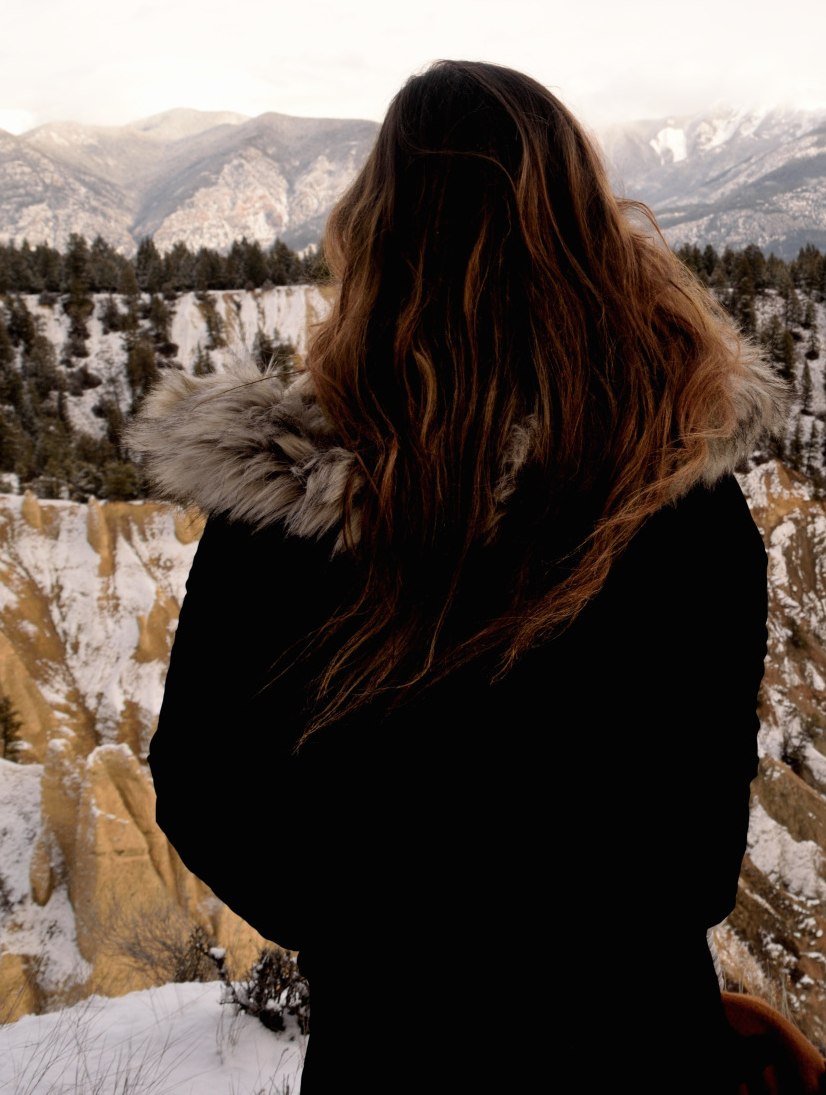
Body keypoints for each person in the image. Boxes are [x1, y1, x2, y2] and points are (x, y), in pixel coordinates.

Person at [128, 61, 785, 1090]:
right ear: (589, 240)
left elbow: (207, 791)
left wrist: (380, 931)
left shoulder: (287, 513)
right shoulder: (673, 498)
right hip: (639, 1041)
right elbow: (698, 858)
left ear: (374, 240)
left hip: (397, 1046)